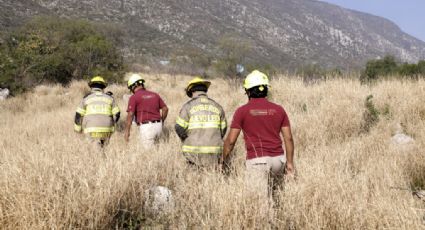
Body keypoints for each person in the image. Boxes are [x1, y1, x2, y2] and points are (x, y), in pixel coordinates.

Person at [222, 70, 294, 195]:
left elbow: (231, 141)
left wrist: (223, 160)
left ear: (248, 91)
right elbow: (288, 138)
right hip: (279, 161)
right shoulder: (279, 109)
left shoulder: (242, 111)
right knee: (276, 198)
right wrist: (290, 163)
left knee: (260, 203)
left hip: (257, 162)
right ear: (266, 89)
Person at [175, 77, 227, 168]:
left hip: (193, 153)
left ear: (191, 91)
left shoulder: (188, 106)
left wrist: (186, 140)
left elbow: (179, 127)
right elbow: (223, 129)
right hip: (214, 152)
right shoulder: (217, 106)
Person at [74, 76, 120, 149]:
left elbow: (78, 115)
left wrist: (78, 130)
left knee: (94, 151)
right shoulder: (110, 98)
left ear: (91, 86)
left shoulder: (86, 98)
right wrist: (112, 123)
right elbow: (117, 113)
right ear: (103, 87)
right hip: (107, 130)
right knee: (104, 149)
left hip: (91, 130)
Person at [124, 73, 168, 148]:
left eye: (131, 88)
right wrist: (162, 121)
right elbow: (165, 109)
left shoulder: (134, 97)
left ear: (134, 86)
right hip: (159, 126)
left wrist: (127, 132)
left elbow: (130, 115)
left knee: (148, 154)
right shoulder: (155, 94)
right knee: (157, 150)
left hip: (147, 128)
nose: (131, 90)